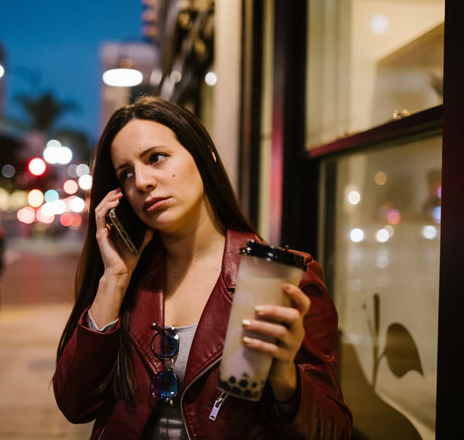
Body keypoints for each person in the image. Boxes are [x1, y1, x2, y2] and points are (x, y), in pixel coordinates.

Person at [53, 96, 352, 439]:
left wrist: (285, 377)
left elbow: (334, 431)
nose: (143, 182)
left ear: (204, 154)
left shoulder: (277, 280)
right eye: (126, 174)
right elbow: (75, 405)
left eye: (156, 158)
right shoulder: (128, 280)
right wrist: (114, 280)